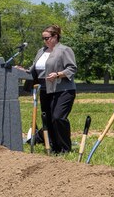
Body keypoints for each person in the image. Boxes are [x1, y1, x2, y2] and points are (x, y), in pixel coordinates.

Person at [23, 24, 77, 154]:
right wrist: (22, 71)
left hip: (62, 89)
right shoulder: (40, 52)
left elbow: (72, 68)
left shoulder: (64, 50)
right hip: (44, 89)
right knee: (47, 119)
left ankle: (65, 148)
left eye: (46, 38)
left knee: (58, 117)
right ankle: (53, 146)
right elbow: (34, 69)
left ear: (55, 37)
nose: (44, 40)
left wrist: (58, 74)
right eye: (43, 38)